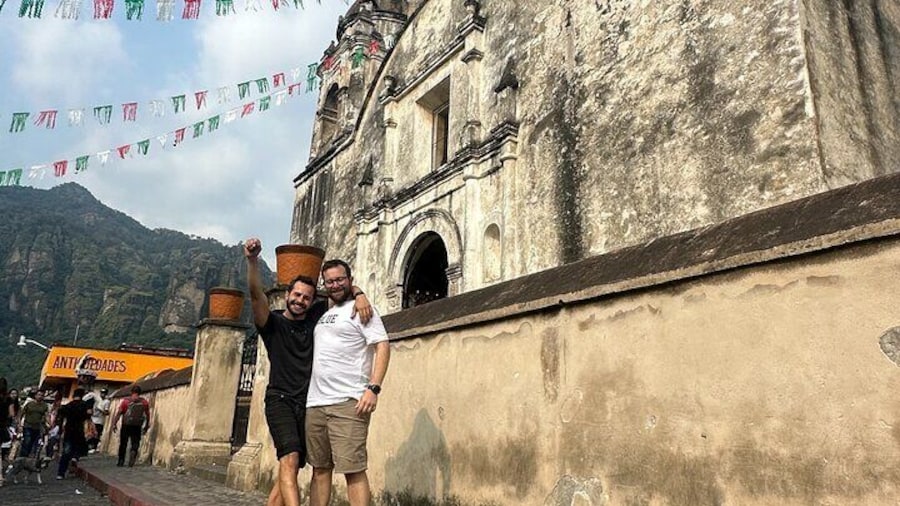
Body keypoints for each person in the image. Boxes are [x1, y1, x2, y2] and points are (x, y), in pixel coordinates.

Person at [244, 237, 371, 506]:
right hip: (280, 400)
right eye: (297, 295)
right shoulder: (272, 323)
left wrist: (359, 294)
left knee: (292, 468)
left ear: (312, 301)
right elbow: (256, 295)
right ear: (287, 294)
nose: (300, 300)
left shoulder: (316, 318)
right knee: (289, 460)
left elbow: (341, 289)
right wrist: (253, 261)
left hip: (310, 403)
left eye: (306, 297)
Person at [307, 259, 391, 506]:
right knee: (320, 469)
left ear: (350, 279)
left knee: (353, 470)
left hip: (348, 402)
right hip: (316, 402)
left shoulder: (362, 309)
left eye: (340, 279)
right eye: (330, 281)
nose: (335, 285)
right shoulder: (324, 312)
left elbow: (382, 345)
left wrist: (373, 388)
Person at [56, 388, 92, 480]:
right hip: (79, 430)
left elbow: (60, 414)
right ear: (82, 395)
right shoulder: (84, 405)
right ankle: (75, 458)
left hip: (69, 430)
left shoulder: (68, 405)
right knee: (79, 447)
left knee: (66, 452)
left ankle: (61, 473)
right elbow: (88, 415)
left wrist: (60, 429)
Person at [111, 385, 150, 467]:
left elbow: (119, 413)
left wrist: (114, 424)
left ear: (131, 392)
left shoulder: (126, 401)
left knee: (123, 443)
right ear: (140, 393)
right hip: (137, 425)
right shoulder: (144, 402)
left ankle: (121, 460)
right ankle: (133, 451)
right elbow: (147, 415)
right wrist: (146, 426)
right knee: (135, 442)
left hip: (126, 424)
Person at [18, 390, 48, 458]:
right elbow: (22, 414)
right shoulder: (29, 404)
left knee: (33, 444)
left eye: (42, 395)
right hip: (28, 425)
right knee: (27, 441)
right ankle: (22, 457)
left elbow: (46, 415)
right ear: (35, 396)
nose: (40, 397)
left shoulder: (44, 406)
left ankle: (27, 458)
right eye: (39, 395)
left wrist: (49, 424)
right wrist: (19, 424)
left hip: (37, 427)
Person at [87, 388, 110, 453]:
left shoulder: (107, 402)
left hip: (100, 420)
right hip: (93, 418)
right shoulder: (97, 400)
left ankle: (94, 447)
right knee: (91, 433)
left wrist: (100, 410)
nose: (102, 394)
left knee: (97, 434)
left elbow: (107, 412)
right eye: (101, 393)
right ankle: (90, 446)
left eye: (103, 393)